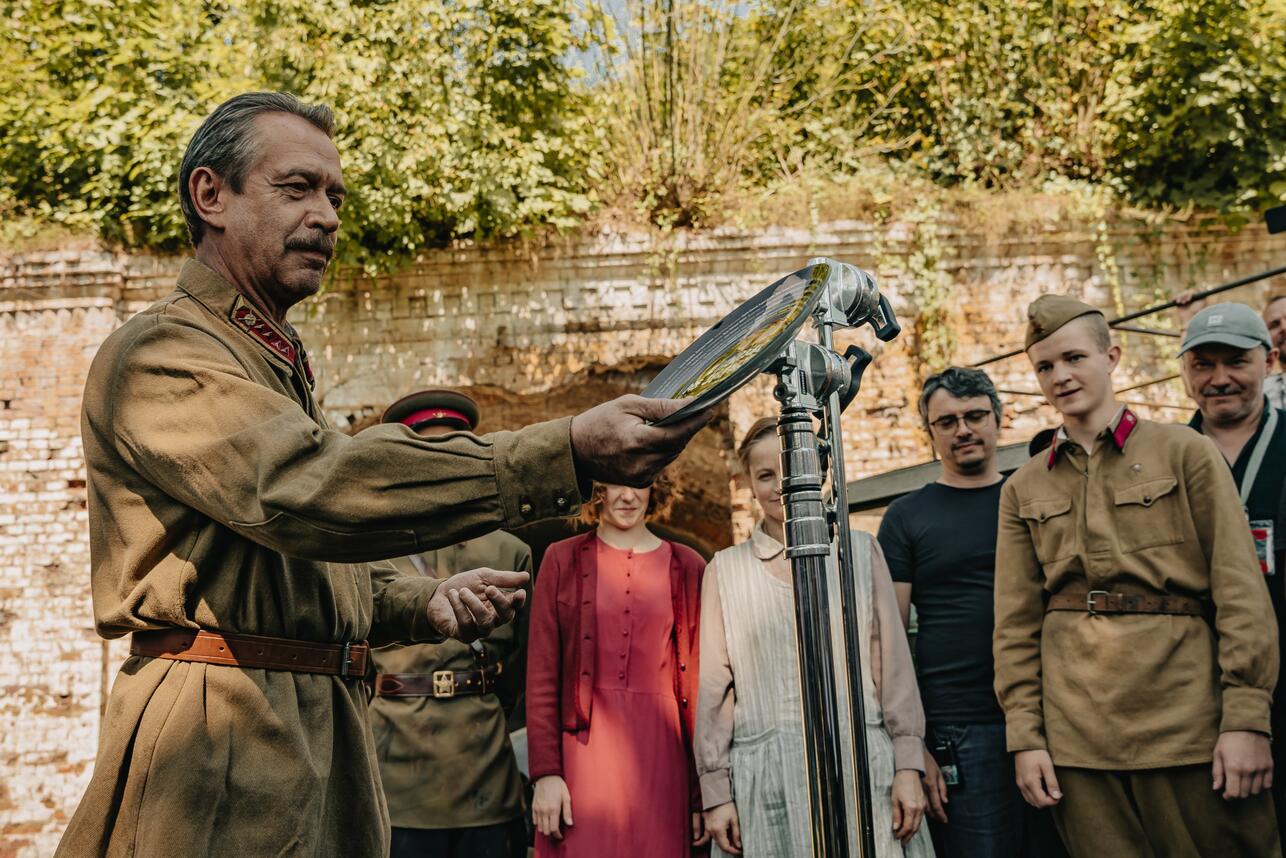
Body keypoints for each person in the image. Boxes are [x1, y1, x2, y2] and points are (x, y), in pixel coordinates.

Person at [58, 91, 709, 858]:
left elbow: (293, 566)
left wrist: (421, 603)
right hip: (222, 735)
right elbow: (307, 490)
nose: (329, 215)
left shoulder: (268, 360)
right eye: (297, 188)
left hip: (310, 725)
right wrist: (562, 450)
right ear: (211, 196)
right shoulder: (164, 352)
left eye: (335, 195)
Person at [993, 294, 1280, 857]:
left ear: (1112, 357)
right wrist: (1026, 737)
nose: (1060, 376)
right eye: (1045, 367)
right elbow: (1014, 625)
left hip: (1187, 723)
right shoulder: (1024, 487)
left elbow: (1239, 589)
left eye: (1074, 358)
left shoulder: (1184, 451)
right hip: (1078, 738)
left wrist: (1247, 719)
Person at [698, 417, 933, 858]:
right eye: (765, 475)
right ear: (747, 482)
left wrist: (907, 764)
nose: (780, 487)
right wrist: (717, 792)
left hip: (863, 764)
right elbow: (715, 690)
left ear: (816, 470)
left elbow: (894, 669)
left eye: (789, 471)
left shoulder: (859, 553)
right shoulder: (724, 571)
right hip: (767, 779)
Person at [879, 368, 1060, 858]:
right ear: (931, 432)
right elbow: (890, 641)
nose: (963, 429)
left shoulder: (1035, 498)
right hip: (960, 727)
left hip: (1056, 713)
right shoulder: (906, 517)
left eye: (975, 415)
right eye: (948, 421)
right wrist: (915, 750)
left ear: (998, 419)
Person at [370, 389, 534, 858]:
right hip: (396, 765)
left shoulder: (509, 553)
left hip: (482, 763)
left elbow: (524, 665)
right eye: (428, 452)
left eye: (453, 452)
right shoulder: (369, 548)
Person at [526, 472, 706, 857]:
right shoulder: (561, 559)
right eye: (614, 483)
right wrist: (546, 774)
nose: (627, 496)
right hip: (582, 756)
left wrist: (699, 793)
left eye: (639, 482)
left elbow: (700, 688)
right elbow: (542, 675)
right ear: (596, 490)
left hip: (662, 758)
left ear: (655, 486)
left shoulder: (688, 565)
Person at [1180, 303, 1286, 844]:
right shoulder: (1166, 458)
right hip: (1200, 691)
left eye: (1236, 361)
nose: (1219, 379)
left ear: (1268, 361)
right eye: (1203, 364)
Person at [1176, 291, 1286, 409]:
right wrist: (1188, 321)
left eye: (1237, 362)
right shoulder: (1261, 385)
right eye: (1274, 325)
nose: (1284, 328)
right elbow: (1194, 386)